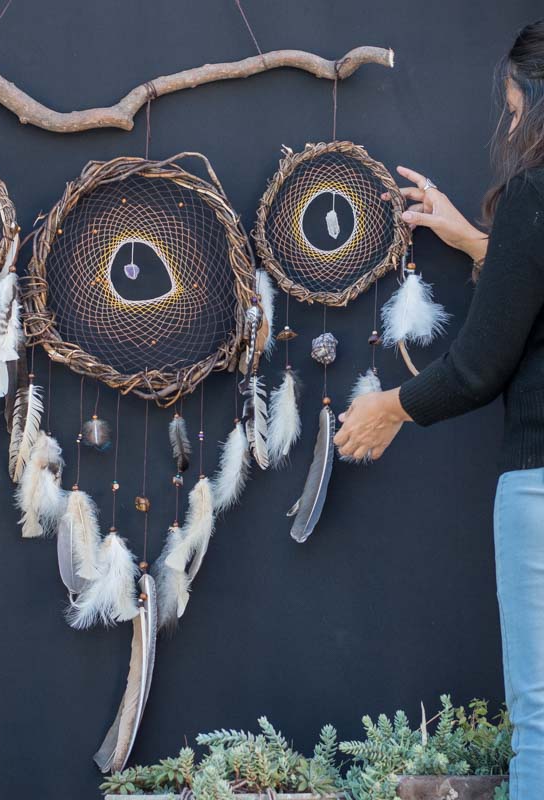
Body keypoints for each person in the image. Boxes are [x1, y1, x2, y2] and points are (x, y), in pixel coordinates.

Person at [334, 19, 544, 798]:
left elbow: (481, 367)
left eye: (519, 110)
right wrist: (480, 242)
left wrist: (389, 406)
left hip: (540, 488)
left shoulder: (535, 194)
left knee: (542, 730)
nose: (513, 126)